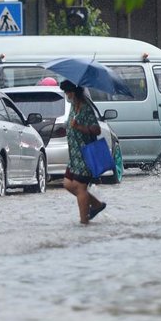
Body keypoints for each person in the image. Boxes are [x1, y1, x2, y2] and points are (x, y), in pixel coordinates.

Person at [60, 79, 106, 224]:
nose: (66, 95)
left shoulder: (86, 108)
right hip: (74, 156)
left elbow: (96, 129)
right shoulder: (74, 106)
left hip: (84, 155)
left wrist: (80, 127)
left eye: (67, 92)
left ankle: (84, 222)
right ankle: (97, 205)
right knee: (68, 183)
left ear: (73, 92)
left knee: (80, 188)